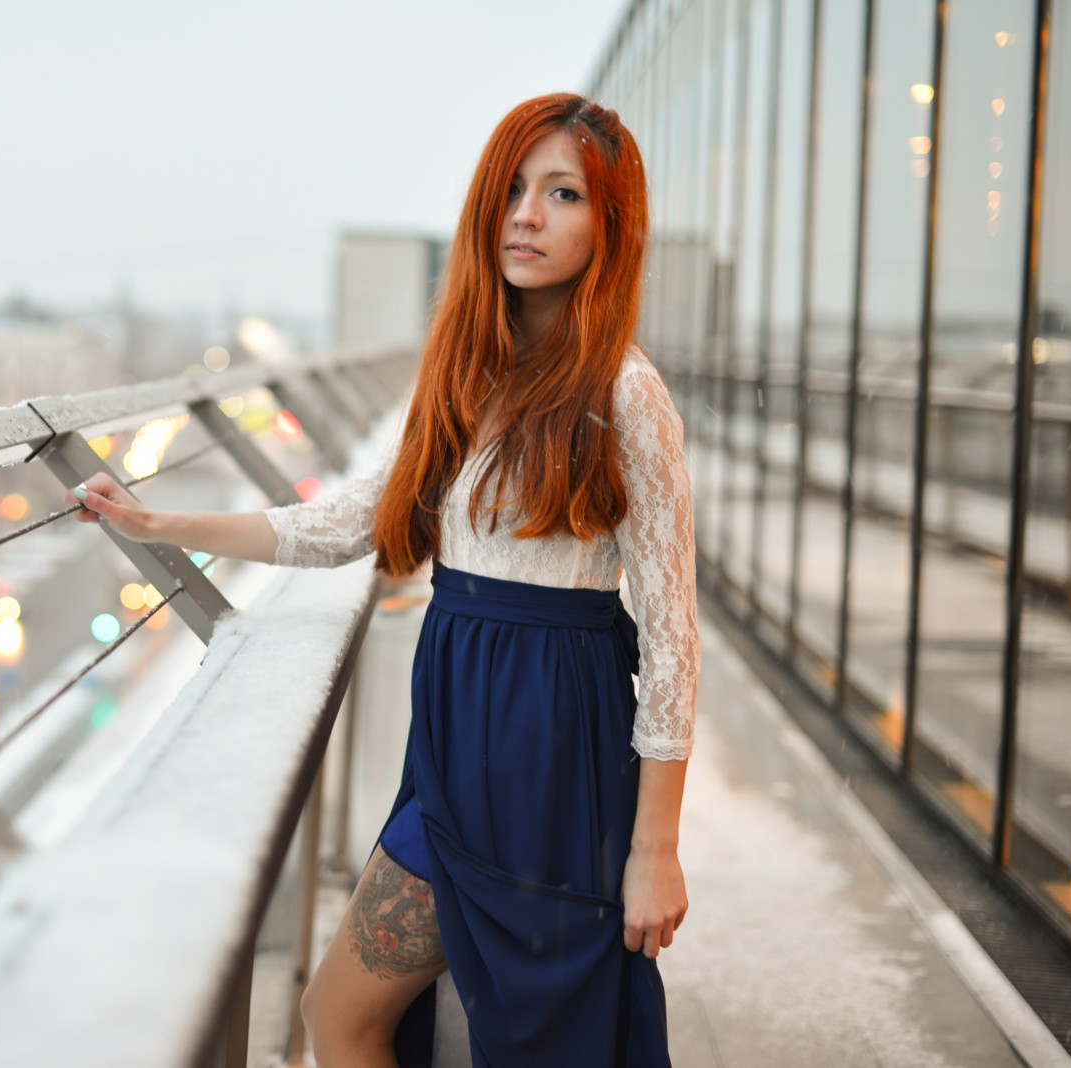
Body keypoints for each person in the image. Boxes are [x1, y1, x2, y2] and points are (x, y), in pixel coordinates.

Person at [66, 93, 697, 1067]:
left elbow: (670, 638)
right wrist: (157, 523)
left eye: (562, 193)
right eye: (512, 189)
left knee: (530, 1041)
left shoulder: (626, 394)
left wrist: (653, 849)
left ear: (610, 226)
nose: (524, 215)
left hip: (549, 754)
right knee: (339, 1014)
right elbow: (349, 520)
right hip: (452, 743)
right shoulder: (470, 371)